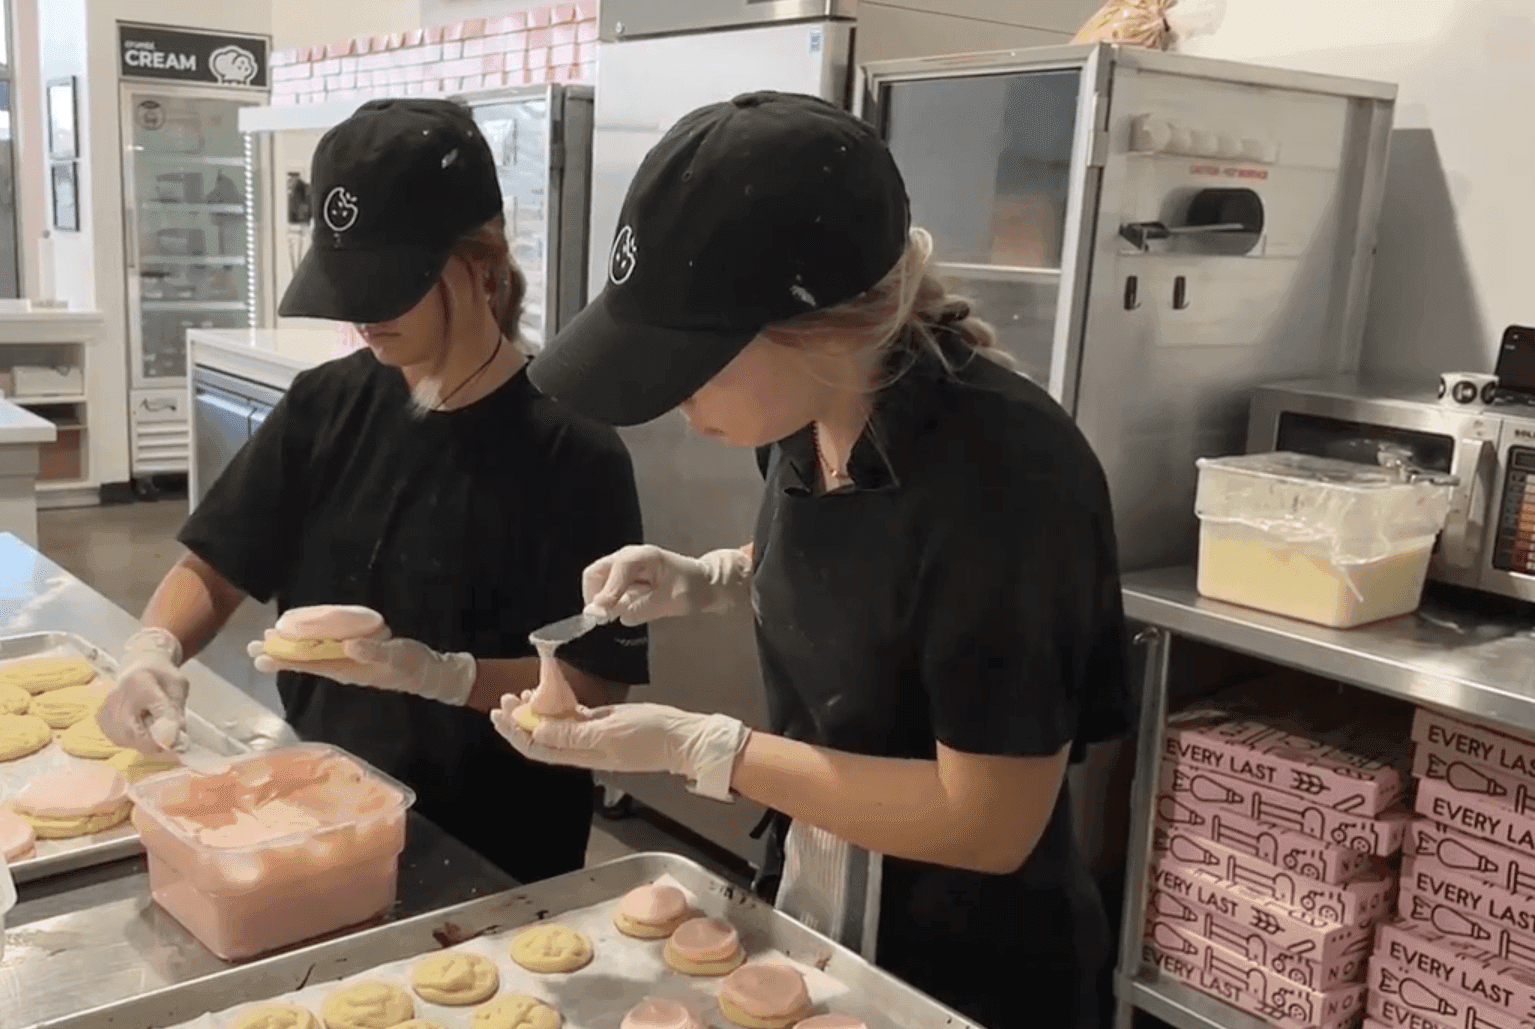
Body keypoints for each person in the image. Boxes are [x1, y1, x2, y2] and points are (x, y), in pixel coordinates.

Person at [494, 92, 1133, 1029]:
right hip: (824, 908)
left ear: (820, 326)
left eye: (694, 365)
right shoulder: (807, 420)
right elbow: (867, 569)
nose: (677, 402)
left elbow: (988, 820)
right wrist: (709, 576)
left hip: (966, 970)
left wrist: (702, 748)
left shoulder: (1008, 479)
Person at [99, 98, 649, 884]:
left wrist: (441, 673)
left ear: (482, 262)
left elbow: (594, 681)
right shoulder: (325, 404)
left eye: (387, 285)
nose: (359, 313)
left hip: (498, 850)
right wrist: (151, 651)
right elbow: (214, 565)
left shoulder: (571, 449)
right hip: (321, 808)